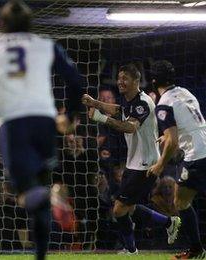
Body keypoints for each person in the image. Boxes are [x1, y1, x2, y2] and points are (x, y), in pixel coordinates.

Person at [0, 1, 85, 259]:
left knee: (26, 194)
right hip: (45, 122)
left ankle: (43, 197)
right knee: (38, 189)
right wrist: (70, 115)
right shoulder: (46, 45)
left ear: (0, 25)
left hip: (12, 124)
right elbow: (75, 79)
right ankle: (40, 254)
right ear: (31, 24)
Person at [82, 64, 181, 254]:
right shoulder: (130, 100)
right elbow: (119, 109)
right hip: (134, 162)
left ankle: (131, 250)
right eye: (119, 78)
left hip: (145, 164)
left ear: (136, 81)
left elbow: (130, 127)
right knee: (130, 207)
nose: (120, 81)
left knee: (119, 210)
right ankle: (169, 222)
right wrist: (95, 103)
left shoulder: (143, 103)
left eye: (125, 78)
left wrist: (100, 118)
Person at [147, 60, 206, 259]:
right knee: (183, 201)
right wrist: (171, 136)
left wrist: (159, 165)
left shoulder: (163, 104)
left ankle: (196, 250)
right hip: (203, 148)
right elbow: (190, 125)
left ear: (153, 81)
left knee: (180, 203)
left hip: (197, 157)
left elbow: (172, 143)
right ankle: (196, 249)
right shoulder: (185, 92)